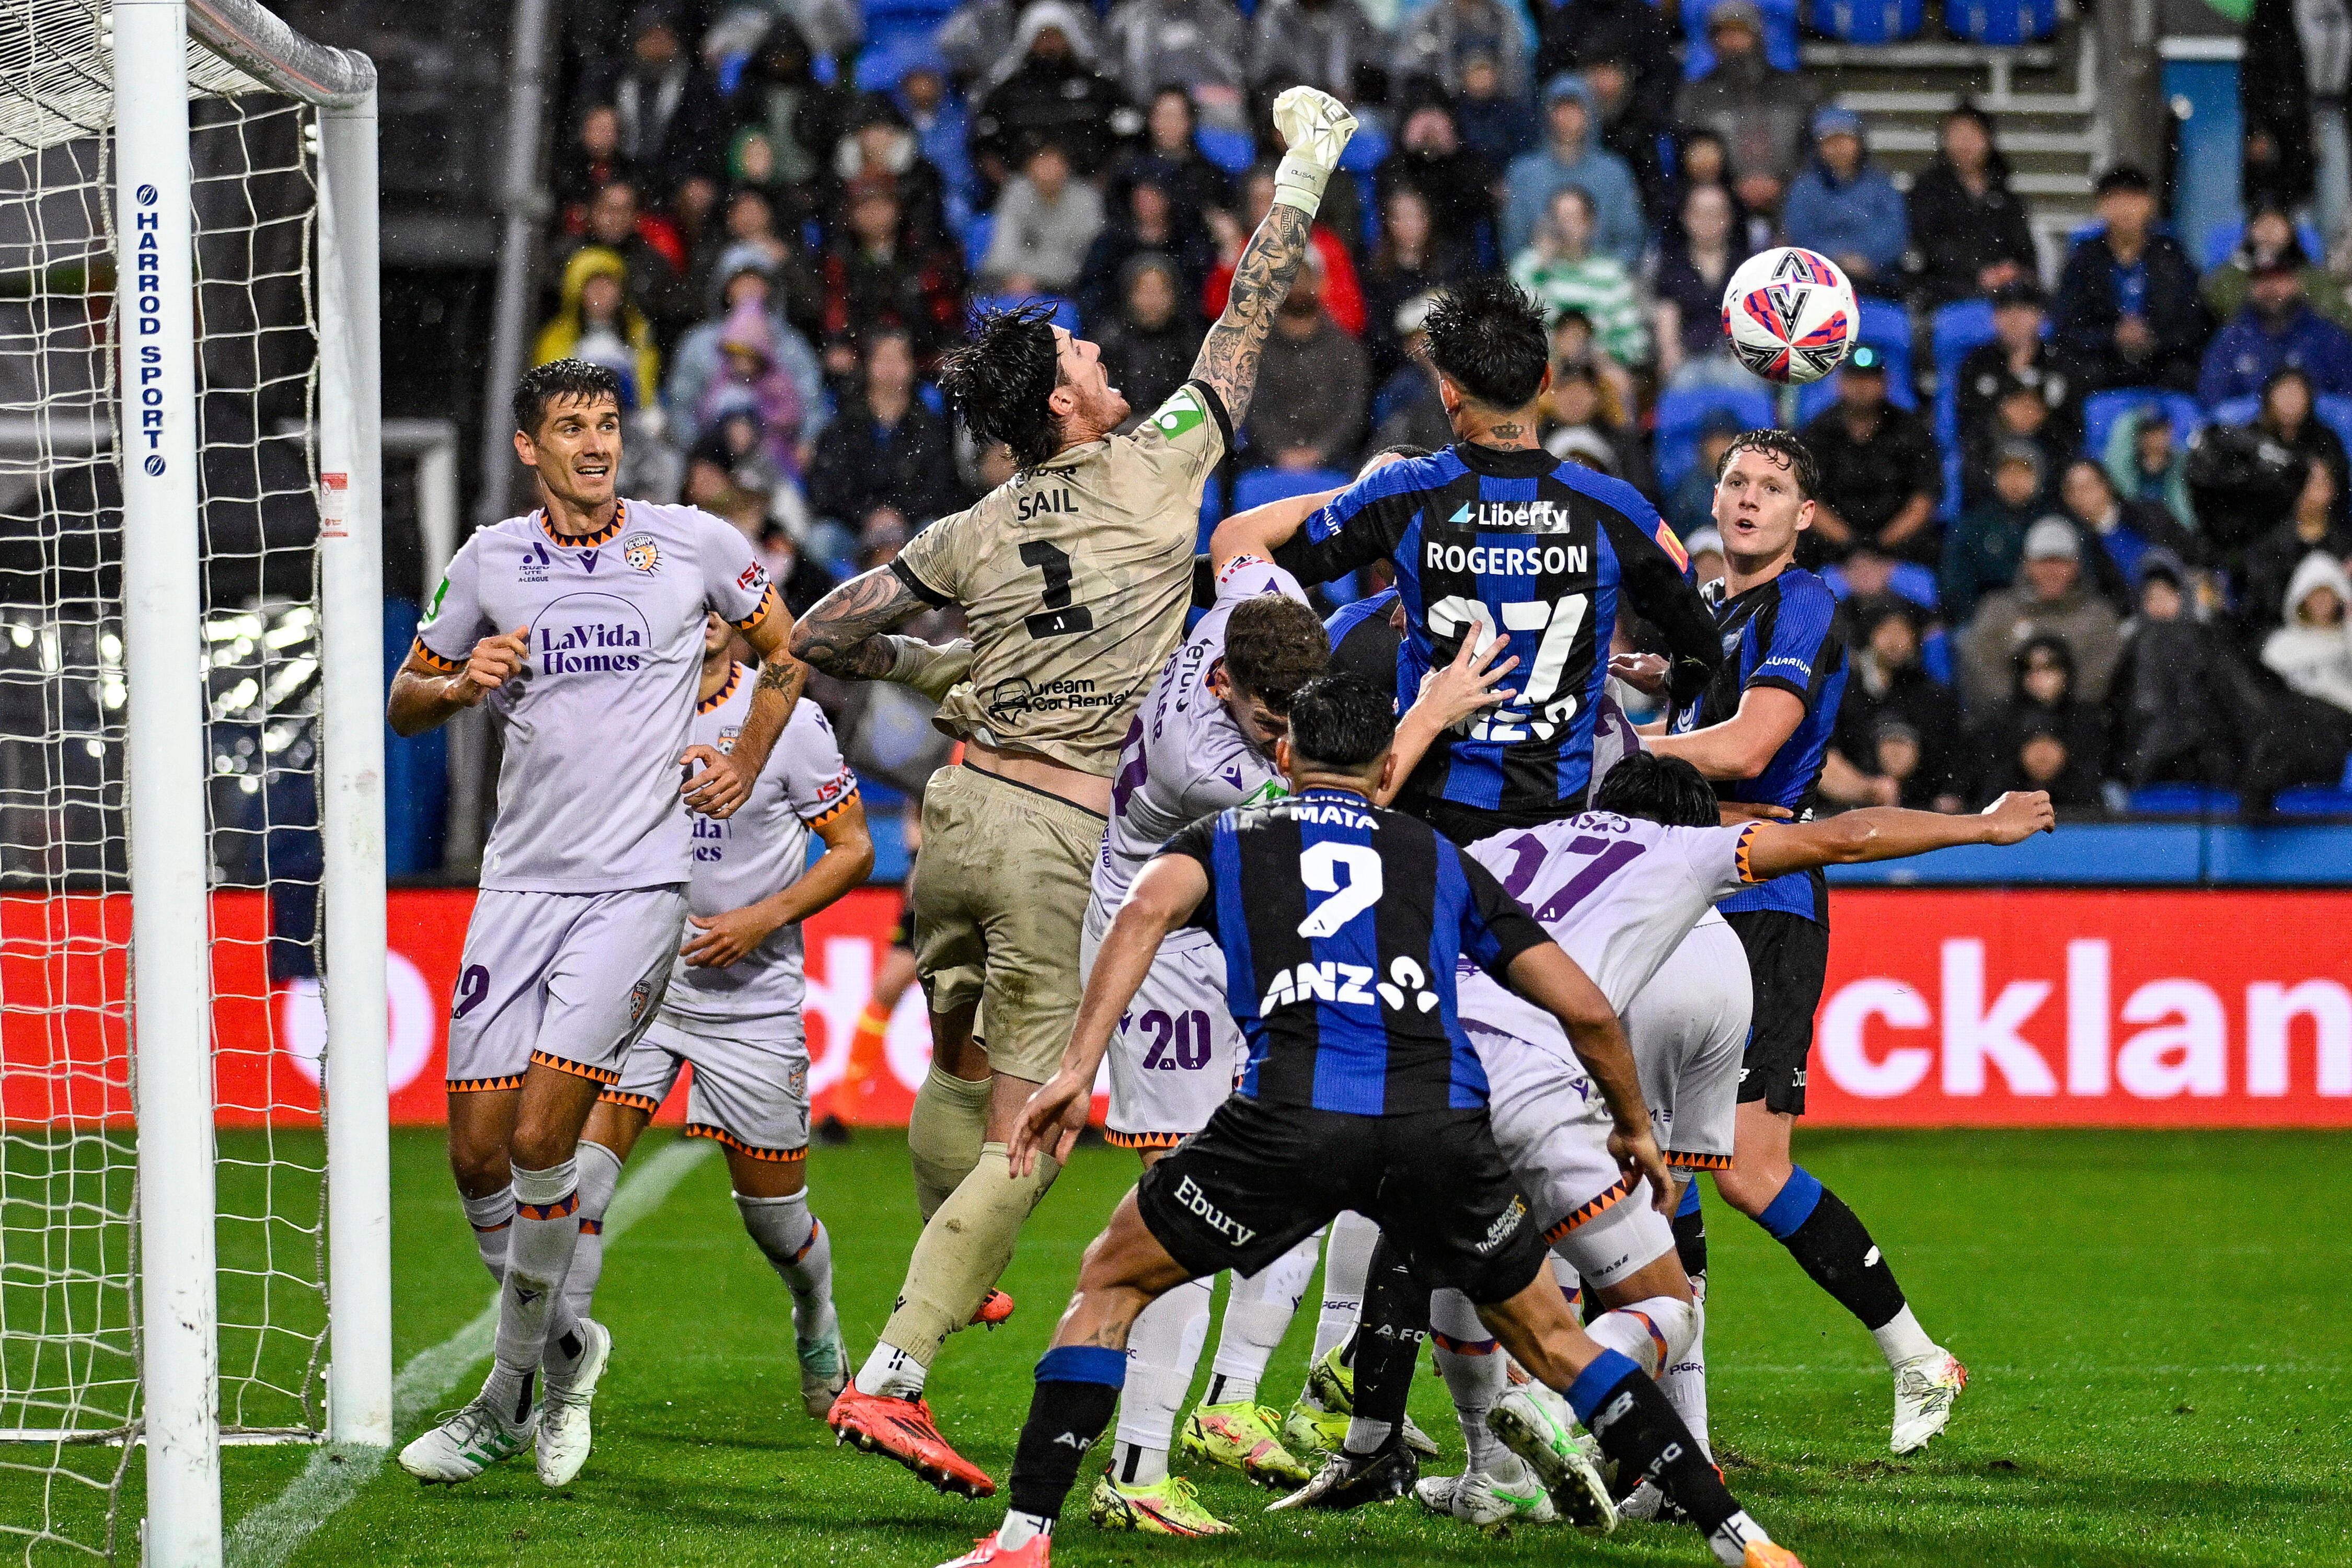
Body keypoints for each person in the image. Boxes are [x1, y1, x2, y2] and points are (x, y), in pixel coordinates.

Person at [790, 87, 1358, 1496]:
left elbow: (825, 632)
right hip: (1051, 832)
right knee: (1038, 1129)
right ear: (1065, 402)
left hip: (953, 813)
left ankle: (950, 1258)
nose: (1104, 354)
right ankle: (895, 1375)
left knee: (958, 1059)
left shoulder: (976, 520)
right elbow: (1242, 324)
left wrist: (943, 671)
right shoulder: (1155, 471)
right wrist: (1300, 180)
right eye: (1085, 352)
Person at [960, 675, 1809, 1568]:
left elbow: (1143, 911)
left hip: (1285, 1123)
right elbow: (1588, 1009)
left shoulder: (1228, 837)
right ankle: (1740, 1540)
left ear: (1284, 755)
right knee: (1556, 1342)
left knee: (1110, 1284)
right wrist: (1634, 1123)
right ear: (1388, 764)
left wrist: (1077, 1066)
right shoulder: (1438, 858)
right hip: (1435, 1130)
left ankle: (1024, 1540)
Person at [1385, 754, 2056, 1531]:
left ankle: (1483, 1468)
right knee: (1659, 1253)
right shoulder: (1681, 848)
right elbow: (1848, 836)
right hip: (1661, 1003)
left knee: (1468, 1241)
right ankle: (1574, 1414)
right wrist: (1983, 824)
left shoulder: (1501, 845)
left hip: (1436, 1063)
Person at [388, 360, 807, 1486]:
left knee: (539, 1141)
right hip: (517, 888)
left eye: (607, 424)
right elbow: (404, 701)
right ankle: (569, 1351)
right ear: (530, 447)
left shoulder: (694, 544)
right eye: (571, 427)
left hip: (636, 889)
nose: (594, 443)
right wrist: (460, 679)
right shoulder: (489, 560)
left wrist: (744, 756)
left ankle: (503, 1398)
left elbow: (789, 650)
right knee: (474, 1156)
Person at [1073, 497, 1515, 1535]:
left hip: (1236, 950)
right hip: (1167, 965)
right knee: (1174, 1217)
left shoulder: (1252, 611)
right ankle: (1135, 1468)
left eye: (1294, 721)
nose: (1287, 741)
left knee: (1309, 1169)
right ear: (1227, 690)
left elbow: (1236, 539)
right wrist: (1432, 711)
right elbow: (1358, 796)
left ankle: (1228, 1405)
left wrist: (1365, 483)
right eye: (1274, 726)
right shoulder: (1210, 768)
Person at [1622, 428, 1968, 1457]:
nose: (1748, 499)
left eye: (1773, 488)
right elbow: (1711, 711)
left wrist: (1619, 749)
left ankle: (1918, 1357)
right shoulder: (1718, 613)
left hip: (1766, 903)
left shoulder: (1802, 605)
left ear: (1806, 516)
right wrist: (1659, 680)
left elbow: (1752, 747)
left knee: (1750, 1170)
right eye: (1735, 480)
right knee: (1667, 1173)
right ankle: (1684, 1430)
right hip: (1689, 895)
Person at [1214, 274, 1721, 841]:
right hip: (1558, 822)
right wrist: (1681, 677)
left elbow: (1269, 563)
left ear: (1448, 391)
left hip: (1427, 820)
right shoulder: (1614, 506)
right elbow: (1700, 641)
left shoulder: (1405, 493)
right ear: (1546, 381)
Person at [560, 610, 872, 1417]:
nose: (697, 617)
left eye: (713, 605)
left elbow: (853, 850)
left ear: (734, 622)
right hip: (644, 989)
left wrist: (759, 919)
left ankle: (816, 1316)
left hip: (752, 1005)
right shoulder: (622, 709)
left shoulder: (792, 722)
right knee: (581, 1189)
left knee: (777, 1224)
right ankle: (559, 1387)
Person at [2052, 165, 2210, 394]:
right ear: (2100, 206)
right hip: (2103, 362)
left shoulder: (2172, 256)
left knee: (2186, 374)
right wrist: (2113, 335)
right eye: (2115, 200)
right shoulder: (2084, 260)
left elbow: (2193, 320)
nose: (2125, 209)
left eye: (2133, 199)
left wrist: (2154, 335)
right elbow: (2068, 323)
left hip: (2162, 361)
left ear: (2149, 204)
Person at [1960, 516, 2126, 711]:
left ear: (2076, 566)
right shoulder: (1998, 610)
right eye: (2044, 562)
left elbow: (2100, 676)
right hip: (2010, 722)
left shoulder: (2099, 615)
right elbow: (1984, 668)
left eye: (2061, 562)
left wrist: (2059, 707)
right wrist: (2025, 706)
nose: (2053, 571)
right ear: (2028, 564)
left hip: (2077, 722)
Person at [1673, 0, 1817, 222]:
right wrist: (1733, 184)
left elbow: (1812, 148)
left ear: (1757, 36)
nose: (1732, 41)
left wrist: (1783, 183)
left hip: (1792, 202)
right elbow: (1687, 155)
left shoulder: (1795, 89)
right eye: (1724, 33)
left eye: (1740, 32)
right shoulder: (1696, 95)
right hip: (1723, 209)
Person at [806, 329, 964, 530]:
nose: (891, 368)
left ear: (912, 366)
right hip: (855, 529)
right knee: (823, 535)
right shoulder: (844, 424)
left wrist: (901, 515)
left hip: (913, 528)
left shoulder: (930, 427)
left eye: (899, 358)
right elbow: (827, 489)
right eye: (883, 358)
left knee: (935, 530)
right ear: (868, 365)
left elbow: (942, 489)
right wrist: (867, 516)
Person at [1798, 345, 1943, 566]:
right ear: (1840, 383)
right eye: (1854, 379)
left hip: (1901, 551)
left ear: (1885, 384)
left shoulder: (1912, 431)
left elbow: (1924, 500)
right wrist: (1853, 545)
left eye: (1869, 380)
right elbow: (1807, 500)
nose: (1861, 388)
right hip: (1831, 553)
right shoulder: (1818, 432)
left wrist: (1880, 546)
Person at [667, 257, 827, 450]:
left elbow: (811, 402)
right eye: (741, 281)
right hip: (715, 454)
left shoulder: (791, 343)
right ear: (726, 287)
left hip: (778, 456)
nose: (749, 288)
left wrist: (806, 443)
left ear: (770, 288)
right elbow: (682, 405)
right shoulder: (699, 341)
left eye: (757, 281)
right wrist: (700, 452)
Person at [580, 5, 731, 200]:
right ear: (636, 40)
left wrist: (682, 177)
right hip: (616, 172)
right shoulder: (610, 79)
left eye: (666, 38)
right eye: (650, 37)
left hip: (674, 180)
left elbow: (706, 142)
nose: (658, 46)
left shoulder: (696, 88)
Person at [1826, 600, 1962, 811]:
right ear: (1869, 634)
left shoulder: (1932, 695)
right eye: (1886, 631)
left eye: (1904, 632)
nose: (1896, 641)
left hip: (1918, 807)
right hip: (1846, 808)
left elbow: (1949, 755)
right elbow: (1826, 755)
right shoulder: (1842, 689)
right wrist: (1868, 789)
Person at [972, 2, 1128, 180]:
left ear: (1071, 38)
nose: (1050, 45)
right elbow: (984, 145)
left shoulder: (1097, 88)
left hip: (1086, 190)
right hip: (1023, 190)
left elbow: (1126, 139)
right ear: (1028, 41)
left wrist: (1101, 183)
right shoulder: (1008, 92)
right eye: (1042, 37)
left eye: (1056, 36)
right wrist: (1008, 184)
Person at [1501, 74, 1644, 267]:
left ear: (1590, 114)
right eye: (1560, 109)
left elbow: (1630, 240)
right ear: (1547, 115)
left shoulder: (1615, 172)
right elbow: (1513, 243)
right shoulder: (1523, 172)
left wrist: (1596, 271)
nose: (1568, 117)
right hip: (1542, 279)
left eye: (1576, 109)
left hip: (1601, 284)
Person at [1244, 254, 1370, 470]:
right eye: (1289, 279)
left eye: (1304, 277)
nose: (1298, 286)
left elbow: (1353, 413)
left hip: (1337, 464)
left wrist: (1321, 451)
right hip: (1266, 463)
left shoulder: (1346, 349)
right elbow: (1254, 411)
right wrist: (1280, 452)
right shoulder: (1255, 351)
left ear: (1321, 283)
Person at [1906, 105, 2039, 308]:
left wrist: (2011, 271)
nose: (1965, 143)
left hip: (2004, 294)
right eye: (1957, 134)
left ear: (1988, 139)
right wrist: (1978, 272)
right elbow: (1928, 246)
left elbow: (2024, 250)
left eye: (1973, 134)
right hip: (1945, 291)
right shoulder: (1927, 189)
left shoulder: (2005, 195)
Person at [822, 186, 965, 368]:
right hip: (864, 360)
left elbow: (945, 310)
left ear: (898, 209)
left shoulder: (923, 254)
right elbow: (836, 312)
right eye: (864, 207)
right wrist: (838, 345)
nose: (873, 213)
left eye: (881, 205)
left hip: (922, 356)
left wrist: (950, 348)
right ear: (850, 216)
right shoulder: (840, 260)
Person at [1511, 186, 1649, 368]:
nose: (1564, 226)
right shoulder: (1528, 265)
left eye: (1574, 218)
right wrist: (1542, 267)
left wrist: (1595, 355)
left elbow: (1634, 343)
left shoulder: (1611, 273)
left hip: (1598, 370)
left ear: (1591, 225)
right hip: (1543, 369)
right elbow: (1516, 332)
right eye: (1558, 218)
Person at [1962, 633, 2109, 804]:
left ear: (2066, 672)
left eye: (2050, 667)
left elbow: (2092, 781)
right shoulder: (1999, 721)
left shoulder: (2087, 720)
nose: (2040, 677)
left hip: (2077, 818)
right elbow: (1989, 785)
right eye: (2030, 668)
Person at [2253, 550, 2352, 793]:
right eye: (2314, 594)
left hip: (2338, 730)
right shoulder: (2283, 645)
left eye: (2328, 593)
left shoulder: (2348, 641)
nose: (2321, 601)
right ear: (2302, 599)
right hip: (2293, 728)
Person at [1955, 283, 2082, 470]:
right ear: (1995, 318)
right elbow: (1968, 424)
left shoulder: (2060, 362)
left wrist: (2039, 418)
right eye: (2006, 310)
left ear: (2040, 317)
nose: (2014, 319)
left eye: (2024, 310)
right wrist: (2004, 418)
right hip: (1991, 464)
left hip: (2050, 464)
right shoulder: (1977, 362)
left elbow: (2073, 428)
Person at [1780, 108, 1907, 292]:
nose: (1838, 148)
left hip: (1877, 283)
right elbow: (1800, 235)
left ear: (1859, 142)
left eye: (1845, 139)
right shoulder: (1803, 188)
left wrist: (1866, 259)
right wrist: (1836, 260)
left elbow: (1894, 232)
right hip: (1819, 285)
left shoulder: (1881, 184)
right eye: (1830, 141)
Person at [2199, 254, 2352, 402]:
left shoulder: (2328, 337)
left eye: (2279, 277)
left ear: (2297, 282)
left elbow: (2346, 400)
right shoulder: (2231, 339)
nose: (2271, 288)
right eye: (2261, 278)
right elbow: (2213, 401)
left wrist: (2304, 410)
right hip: (2249, 428)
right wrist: (2263, 411)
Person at [1375, 97, 1498, 269]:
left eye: (1437, 118)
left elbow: (1477, 204)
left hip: (1455, 250)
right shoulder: (1394, 164)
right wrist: (1412, 153)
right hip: (1400, 258)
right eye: (1421, 117)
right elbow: (1389, 202)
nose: (1430, 127)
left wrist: (1448, 154)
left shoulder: (1468, 162)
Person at [535, 248, 661, 414]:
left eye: (608, 285)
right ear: (578, 292)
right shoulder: (556, 340)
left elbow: (647, 395)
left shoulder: (640, 337)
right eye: (594, 286)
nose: (601, 294)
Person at [2056, 456, 2189, 612]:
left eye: (2088, 486)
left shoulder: (2149, 514)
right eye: (2074, 490)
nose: (2082, 496)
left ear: (2106, 485)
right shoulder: (2082, 547)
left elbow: (2191, 551)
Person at [2243, 457, 2352, 641]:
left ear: (2334, 489)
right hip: (2285, 643)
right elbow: (2263, 610)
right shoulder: (2267, 547)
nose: (2315, 489)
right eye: (2307, 481)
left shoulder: (2347, 542)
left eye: (2323, 481)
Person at [1653, 185, 1754, 383]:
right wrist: (1669, 351)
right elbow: (1667, 312)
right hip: (1689, 357)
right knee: (1682, 382)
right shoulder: (1672, 266)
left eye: (1715, 213)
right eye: (1700, 213)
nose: (1708, 220)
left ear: (1729, 217)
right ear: (1686, 217)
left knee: (1743, 381)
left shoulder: (1747, 266)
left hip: (1737, 358)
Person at [981, 141, 1108, 294]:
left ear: (1067, 166)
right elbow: (1004, 250)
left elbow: (1084, 260)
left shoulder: (1087, 198)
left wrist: (1034, 279)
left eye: (1055, 162)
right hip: (1013, 280)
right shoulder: (1015, 192)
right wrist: (1016, 278)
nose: (1049, 169)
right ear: (1028, 166)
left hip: (1070, 284)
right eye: (1041, 161)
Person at [1097, 255, 1202, 428]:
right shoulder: (1109, 341)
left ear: (1174, 294)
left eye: (1160, 291)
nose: (1152, 300)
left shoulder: (1189, 342)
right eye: (1144, 290)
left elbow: (1196, 403)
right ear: (1129, 294)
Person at [1101, 0, 1249, 122]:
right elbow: (1109, 69)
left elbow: (1238, 75)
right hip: (1144, 118)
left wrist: (1194, 99)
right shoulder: (1129, 16)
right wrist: (1159, 107)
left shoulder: (1220, 15)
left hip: (1212, 120)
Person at [1250, 0, 1387, 106]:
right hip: (1291, 100)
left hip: (1346, 104)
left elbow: (1374, 59)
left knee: (1367, 122)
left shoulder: (1349, 11)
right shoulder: (1278, 13)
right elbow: (1261, 74)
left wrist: (1356, 91)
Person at [1394, 0, 1535, 102]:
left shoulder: (1504, 17)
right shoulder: (1427, 19)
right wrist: (1460, 82)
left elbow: (1516, 71)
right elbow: (1410, 70)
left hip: (1499, 104)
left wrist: (1490, 80)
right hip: (1446, 105)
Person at [2102, 403, 2196, 533]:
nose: (2156, 439)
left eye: (2161, 431)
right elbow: (2121, 486)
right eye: (2149, 433)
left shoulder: (2181, 462)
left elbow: (2184, 508)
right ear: (2139, 437)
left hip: (2174, 531)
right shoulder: (2128, 465)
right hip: (2135, 529)